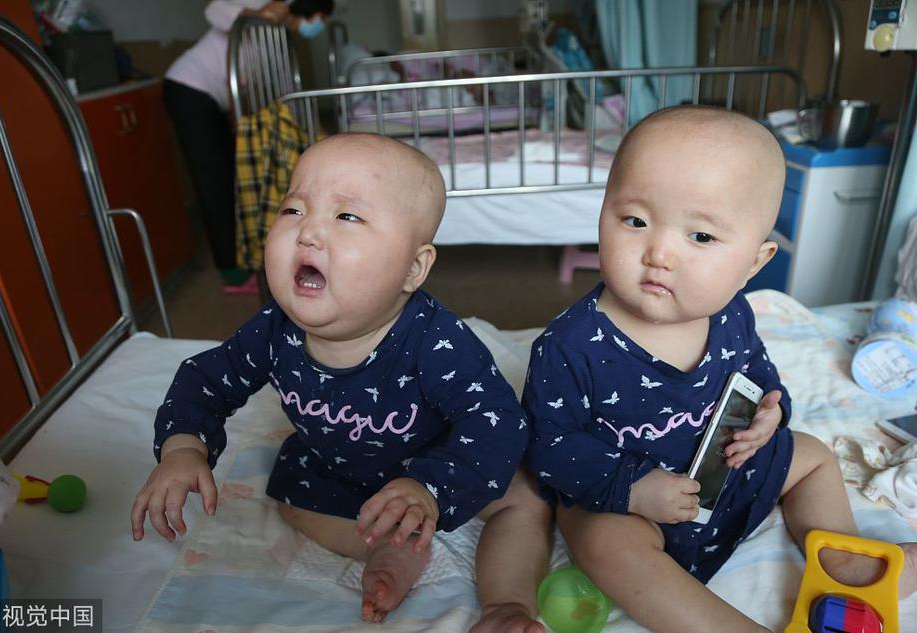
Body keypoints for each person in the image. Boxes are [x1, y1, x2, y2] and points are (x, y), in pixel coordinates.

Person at [131, 134, 551, 632]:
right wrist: (183, 448)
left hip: (439, 466)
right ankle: (395, 550)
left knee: (527, 499)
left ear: (413, 268)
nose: (308, 232)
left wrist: (431, 488)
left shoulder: (434, 340)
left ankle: (506, 604)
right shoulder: (272, 330)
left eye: (346, 216)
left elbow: (496, 422)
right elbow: (205, 380)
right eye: (293, 210)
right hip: (338, 472)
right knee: (290, 501)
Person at [522, 105, 917, 632]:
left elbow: (758, 376)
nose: (658, 252)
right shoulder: (568, 344)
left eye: (701, 237)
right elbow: (547, 447)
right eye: (635, 221)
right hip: (635, 504)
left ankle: (843, 561)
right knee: (604, 544)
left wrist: (770, 415)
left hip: (728, 469)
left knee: (814, 455)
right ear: (602, 215)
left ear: (754, 263)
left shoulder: (731, 311)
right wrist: (634, 489)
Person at [163, 0, 333, 294]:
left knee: (232, 177)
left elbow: (281, 88)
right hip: (189, 87)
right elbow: (215, 11)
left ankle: (241, 262)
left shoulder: (278, 35)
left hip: (218, 97)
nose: (316, 26)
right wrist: (261, 13)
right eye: (319, 18)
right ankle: (232, 274)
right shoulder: (265, 13)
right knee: (214, 181)